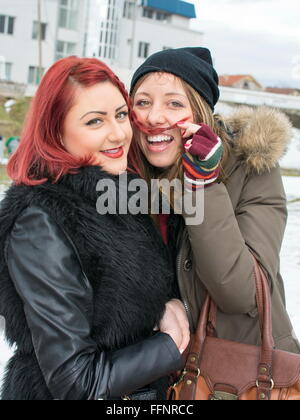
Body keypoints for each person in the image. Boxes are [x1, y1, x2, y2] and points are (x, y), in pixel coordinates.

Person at [0, 56, 190, 401]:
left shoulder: (117, 195)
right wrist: (167, 345)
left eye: (120, 115)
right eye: (94, 122)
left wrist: (165, 306)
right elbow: (76, 382)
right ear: (55, 132)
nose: (118, 133)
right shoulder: (41, 220)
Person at [130, 47, 300, 353]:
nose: (154, 117)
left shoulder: (251, 168)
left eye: (174, 103)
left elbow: (239, 292)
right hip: (160, 373)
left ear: (200, 114)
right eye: (143, 102)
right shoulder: (125, 177)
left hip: (243, 378)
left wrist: (202, 184)